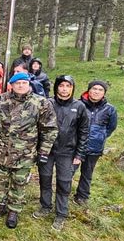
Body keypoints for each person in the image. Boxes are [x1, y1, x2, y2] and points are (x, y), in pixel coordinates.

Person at [0, 73, 58, 228]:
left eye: (24, 82)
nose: (20, 85)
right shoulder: (1, 99)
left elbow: (50, 129)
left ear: (29, 84)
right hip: (0, 151)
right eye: (17, 82)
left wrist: (44, 152)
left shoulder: (40, 103)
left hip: (24, 153)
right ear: (11, 84)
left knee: (19, 183)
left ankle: (13, 211)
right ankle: (0, 205)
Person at [32, 75, 89, 231]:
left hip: (68, 152)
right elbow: (37, 127)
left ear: (72, 88)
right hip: (47, 150)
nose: (64, 89)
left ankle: (61, 214)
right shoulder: (47, 103)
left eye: (68, 86)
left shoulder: (79, 107)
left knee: (64, 182)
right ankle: (45, 206)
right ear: (56, 87)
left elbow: (84, 132)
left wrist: (79, 155)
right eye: (61, 85)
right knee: (45, 179)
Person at [76, 80, 118, 206]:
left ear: (104, 93)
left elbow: (111, 127)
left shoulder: (110, 109)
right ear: (89, 90)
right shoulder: (78, 105)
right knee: (68, 172)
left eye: (100, 90)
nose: (97, 91)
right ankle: (63, 193)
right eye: (94, 88)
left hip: (94, 147)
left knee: (87, 173)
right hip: (76, 145)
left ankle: (82, 196)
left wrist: (101, 136)